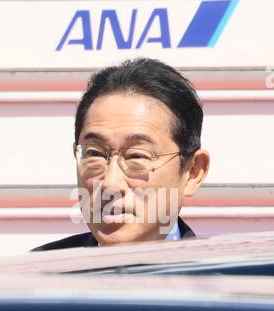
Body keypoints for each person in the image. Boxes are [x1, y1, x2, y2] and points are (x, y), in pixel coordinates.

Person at [33, 58, 209, 251]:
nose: (110, 183)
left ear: (192, 172)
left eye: (137, 156)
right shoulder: (36, 273)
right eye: (95, 153)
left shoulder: (224, 278)